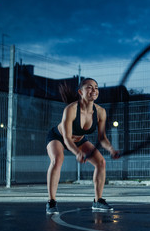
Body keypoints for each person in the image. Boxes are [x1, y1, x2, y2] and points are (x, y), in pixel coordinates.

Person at [45, 78, 120, 214]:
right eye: (89, 87)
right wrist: (77, 153)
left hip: (79, 139)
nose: (94, 90)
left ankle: (98, 201)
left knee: (101, 162)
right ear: (80, 91)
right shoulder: (71, 109)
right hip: (59, 137)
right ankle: (51, 202)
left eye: (96, 87)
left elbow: (102, 138)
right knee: (57, 160)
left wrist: (111, 149)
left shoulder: (101, 112)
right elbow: (67, 138)